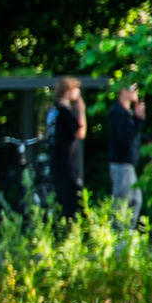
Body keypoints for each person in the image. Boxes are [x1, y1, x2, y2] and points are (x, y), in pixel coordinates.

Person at [108, 83, 147, 227]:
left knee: (135, 200)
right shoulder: (119, 112)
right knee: (122, 203)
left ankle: (127, 235)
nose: (136, 92)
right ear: (123, 91)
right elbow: (126, 138)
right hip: (121, 164)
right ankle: (119, 239)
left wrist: (137, 119)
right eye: (133, 89)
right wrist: (139, 120)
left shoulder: (127, 113)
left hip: (128, 165)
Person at [49, 75, 86, 219]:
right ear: (68, 90)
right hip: (67, 164)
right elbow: (80, 132)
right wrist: (81, 110)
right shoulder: (64, 112)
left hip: (57, 162)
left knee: (62, 201)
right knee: (72, 204)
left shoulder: (53, 111)